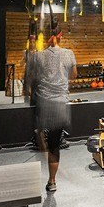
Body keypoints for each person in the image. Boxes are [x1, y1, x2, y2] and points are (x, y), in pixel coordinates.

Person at [25, 20, 76, 193]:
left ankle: (40, 137)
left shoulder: (38, 56)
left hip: (44, 104)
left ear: (47, 36)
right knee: (54, 144)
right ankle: (52, 181)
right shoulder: (69, 54)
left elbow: (33, 75)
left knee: (42, 136)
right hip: (59, 104)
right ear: (60, 35)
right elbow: (74, 75)